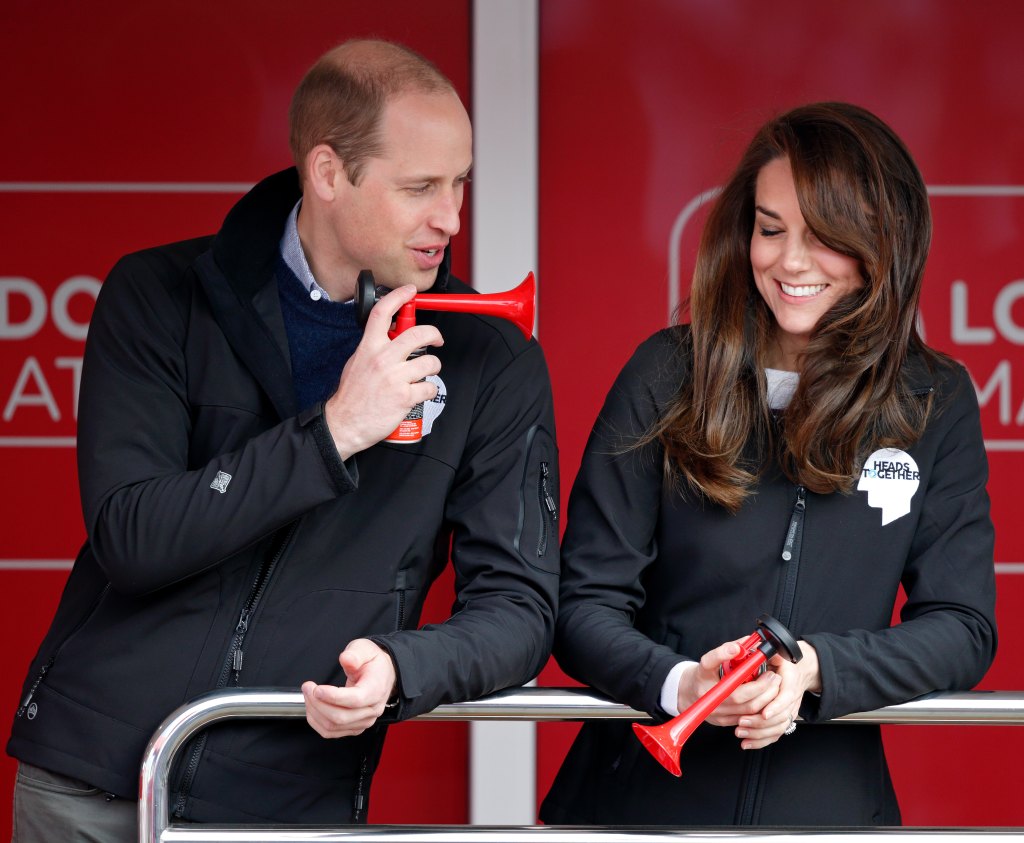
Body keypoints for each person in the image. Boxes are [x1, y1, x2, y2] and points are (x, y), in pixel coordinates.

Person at [8, 39, 559, 838]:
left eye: (459, 183)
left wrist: (407, 669)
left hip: (288, 803)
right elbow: (131, 535)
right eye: (420, 187)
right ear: (328, 173)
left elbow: (518, 606)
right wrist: (334, 432)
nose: (451, 218)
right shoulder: (158, 293)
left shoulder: (490, 359)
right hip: (90, 787)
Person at [540, 102, 995, 826]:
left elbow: (964, 625)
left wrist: (818, 670)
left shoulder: (933, 400)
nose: (788, 262)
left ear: (886, 241)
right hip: (635, 810)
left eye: (824, 237)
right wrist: (683, 682)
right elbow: (582, 604)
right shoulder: (668, 373)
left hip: (831, 814)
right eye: (770, 227)